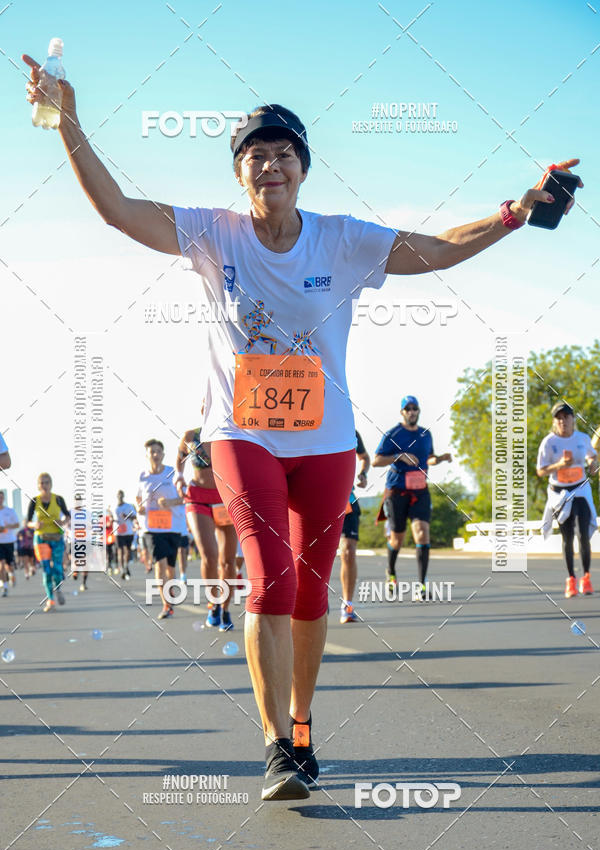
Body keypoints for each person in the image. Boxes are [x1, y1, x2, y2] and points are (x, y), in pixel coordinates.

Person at [23, 56, 581, 799]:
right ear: (239, 175)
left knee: (312, 594)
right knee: (271, 578)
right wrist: (69, 122)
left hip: (324, 443)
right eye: (255, 155)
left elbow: (439, 248)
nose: (270, 164)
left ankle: (303, 722)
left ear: (303, 171)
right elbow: (120, 210)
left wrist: (515, 211)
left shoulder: (340, 240)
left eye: (284, 153)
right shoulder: (211, 233)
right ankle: (276, 747)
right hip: (240, 435)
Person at [373, 396, 452, 601]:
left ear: (418, 411)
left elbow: (429, 459)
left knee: (422, 532)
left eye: (414, 408)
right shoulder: (393, 434)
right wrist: (400, 456)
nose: (411, 412)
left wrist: (440, 459)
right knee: (397, 538)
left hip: (420, 491)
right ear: (402, 412)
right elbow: (376, 461)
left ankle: (422, 585)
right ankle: (390, 572)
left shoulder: (426, 435)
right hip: (397, 491)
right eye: (407, 409)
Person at [176, 426, 238, 632]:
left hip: (225, 500)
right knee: (210, 556)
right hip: (197, 498)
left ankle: (225, 609)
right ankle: (214, 603)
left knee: (227, 561)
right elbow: (180, 459)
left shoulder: (231, 431)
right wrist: (178, 477)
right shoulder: (191, 435)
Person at [537, 402, 598, 598]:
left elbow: (591, 456)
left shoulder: (582, 438)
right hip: (559, 493)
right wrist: (559, 465)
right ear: (555, 421)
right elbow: (540, 471)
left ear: (573, 419)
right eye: (559, 417)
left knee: (583, 534)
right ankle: (571, 579)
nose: (563, 420)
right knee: (568, 536)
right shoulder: (549, 442)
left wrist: (592, 464)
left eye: (567, 416)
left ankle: (586, 578)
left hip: (580, 489)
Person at [136, 439, 183, 619]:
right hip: (152, 527)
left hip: (173, 525)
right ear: (147, 455)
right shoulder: (143, 476)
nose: (155, 455)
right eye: (151, 452)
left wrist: (170, 502)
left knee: (171, 567)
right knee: (160, 565)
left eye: (158, 451)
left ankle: (169, 593)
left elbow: (184, 497)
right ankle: (166, 605)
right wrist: (138, 505)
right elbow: (138, 496)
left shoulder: (172, 473)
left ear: (163, 454)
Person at [339, 430, 370, 624]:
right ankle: (313, 597)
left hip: (346, 500)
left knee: (348, 552)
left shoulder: (350, 429)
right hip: (316, 500)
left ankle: (347, 605)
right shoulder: (310, 424)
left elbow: (364, 457)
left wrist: (363, 473)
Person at [26, 473, 69, 611]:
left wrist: (63, 522)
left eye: (47, 482)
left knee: (57, 568)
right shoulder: (34, 501)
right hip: (41, 539)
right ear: (38, 486)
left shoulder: (59, 499)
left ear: (51, 484)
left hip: (56, 537)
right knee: (46, 570)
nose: (44, 485)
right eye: (42, 483)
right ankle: (50, 599)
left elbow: (68, 515)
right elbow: (27, 522)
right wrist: (34, 525)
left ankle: (58, 589)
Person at [0, 491, 19, 596]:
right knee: (1, 565)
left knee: (9, 565)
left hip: (9, 541)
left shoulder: (10, 511)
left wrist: (6, 528)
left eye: (1, 497)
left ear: (3, 499)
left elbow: (17, 524)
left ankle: (11, 574)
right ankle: (5, 586)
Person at [115, 490, 136, 580]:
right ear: (116, 496)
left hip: (128, 531)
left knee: (127, 550)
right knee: (120, 551)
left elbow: (134, 517)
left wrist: (126, 516)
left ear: (123, 496)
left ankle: (126, 565)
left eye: (121, 495)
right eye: (118, 495)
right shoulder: (113, 507)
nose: (120, 497)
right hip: (118, 532)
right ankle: (122, 569)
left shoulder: (129, 506)